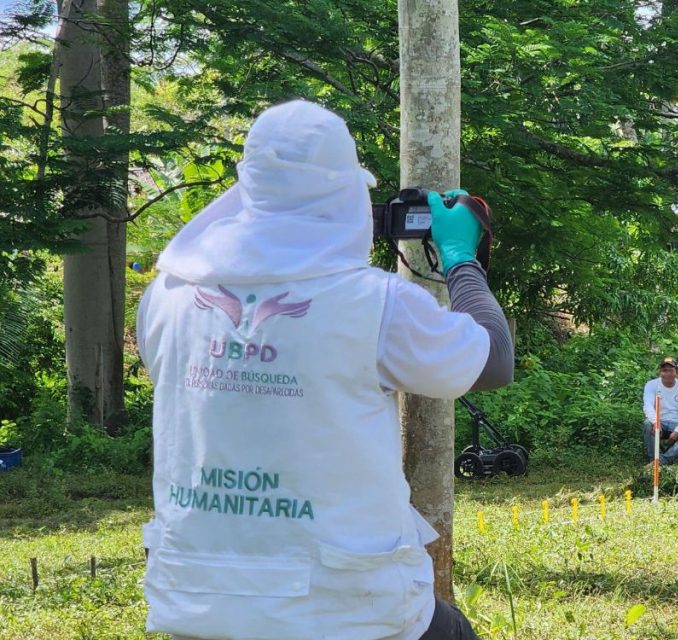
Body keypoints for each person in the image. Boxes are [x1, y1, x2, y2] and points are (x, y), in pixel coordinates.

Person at [135, 99, 513, 640]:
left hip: (199, 602)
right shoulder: (373, 303)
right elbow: (493, 360)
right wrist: (460, 258)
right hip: (346, 609)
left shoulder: (168, 294)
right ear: (345, 193)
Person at [642, 357, 678, 465]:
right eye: (664, 370)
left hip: (677, 423)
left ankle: (662, 460)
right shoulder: (651, 385)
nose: (667, 374)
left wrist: (677, 431)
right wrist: (655, 422)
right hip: (659, 421)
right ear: (660, 372)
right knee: (647, 424)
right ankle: (653, 457)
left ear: (677, 372)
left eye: (671, 370)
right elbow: (648, 406)